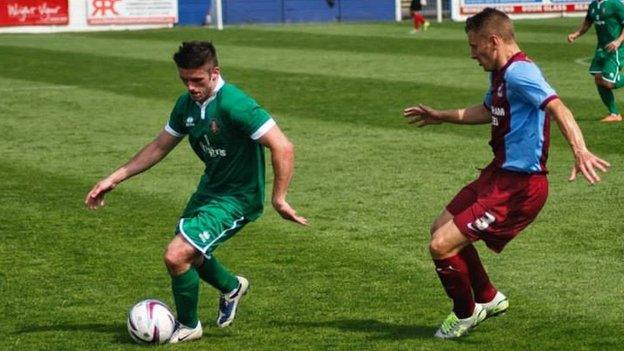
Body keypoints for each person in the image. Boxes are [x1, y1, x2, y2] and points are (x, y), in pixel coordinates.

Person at [403, 8, 610, 339]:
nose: (472, 54)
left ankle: (465, 314)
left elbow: (558, 107)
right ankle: (488, 297)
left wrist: (580, 149)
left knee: (441, 246)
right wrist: (441, 115)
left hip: (519, 186)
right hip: (497, 174)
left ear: (493, 40)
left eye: (474, 46)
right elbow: (487, 110)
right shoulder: (500, 73)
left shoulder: (520, 74)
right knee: (440, 228)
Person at [85, 41, 308, 343]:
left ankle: (189, 325)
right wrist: (116, 177)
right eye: (184, 80)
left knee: (176, 255)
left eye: (197, 80)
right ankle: (231, 287)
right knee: (190, 254)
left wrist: (279, 198)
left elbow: (283, 146)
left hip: (238, 198)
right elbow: (159, 146)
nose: (190, 87)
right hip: (209, 191)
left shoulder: (235, 104)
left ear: (215, 72)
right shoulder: (186, 105)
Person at [568, 0, 624, 122]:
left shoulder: (615, 4)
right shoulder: (593, 5)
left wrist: (618, 41)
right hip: (601, 48)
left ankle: (614, 114)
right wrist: (576, 34)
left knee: (608, 83)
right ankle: (614, 114)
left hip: (617, 48)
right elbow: (587, 22)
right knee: (598, 79)